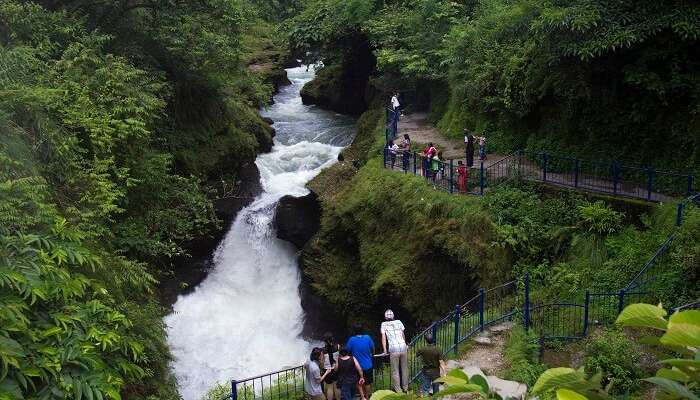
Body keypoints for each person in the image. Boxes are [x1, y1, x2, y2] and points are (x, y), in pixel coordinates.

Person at [380, 309, 408, 393]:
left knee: (395, 371)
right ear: (393, 316)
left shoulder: (383, 324)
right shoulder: (399, 322)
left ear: (385, 317)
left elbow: (383, 338)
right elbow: (403, 334)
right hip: (403, 347)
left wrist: (385, 350)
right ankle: (406, 388)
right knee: (405, 369)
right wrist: (405, 345)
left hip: (393, 349)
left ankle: (398, 390)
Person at [345, 323, 375, 397]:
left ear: (354, 331)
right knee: (368, 383)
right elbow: (373, 348)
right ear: (362, 330)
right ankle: (368, 397)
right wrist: (372, 354)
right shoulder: (367, 337)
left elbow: (346, 351)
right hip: (368, 365)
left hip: (357, 367)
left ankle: (363, 397)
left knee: (360, 383)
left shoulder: (351, 340)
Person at [322, 333, 341, 400]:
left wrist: (322, 369)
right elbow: (339, 357)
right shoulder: (338, 346)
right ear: (332, 339)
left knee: (329, 387)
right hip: (336, 368)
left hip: (327, 370)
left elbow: (322, 362)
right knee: (336, 386)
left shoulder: (323, 350)